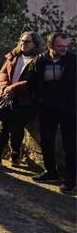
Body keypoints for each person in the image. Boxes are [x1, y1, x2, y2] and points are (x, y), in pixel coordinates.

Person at [0, 31, 44, 169]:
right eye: (22, 40)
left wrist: (14, 89)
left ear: (35, 44)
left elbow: (33, 82)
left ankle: (16, 153)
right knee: (3, 128)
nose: (23, 44)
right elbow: (3, 72)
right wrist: (5, 87)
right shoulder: (13, 56)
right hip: (7, 97)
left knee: (16, 128)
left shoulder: (39, 60)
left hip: (25, 101)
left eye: (27, 41)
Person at [24, 32, 76, 193]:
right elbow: (30, 82)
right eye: (60, 46)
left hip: (69, 109)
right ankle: (50, 172)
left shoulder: (73, 61)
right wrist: (37, 100)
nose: (64, 49)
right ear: (50, 45)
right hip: (47, 108)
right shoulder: (40, 61)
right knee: (47, 140)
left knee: (70, 145)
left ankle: (71, 179)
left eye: (66, 46)